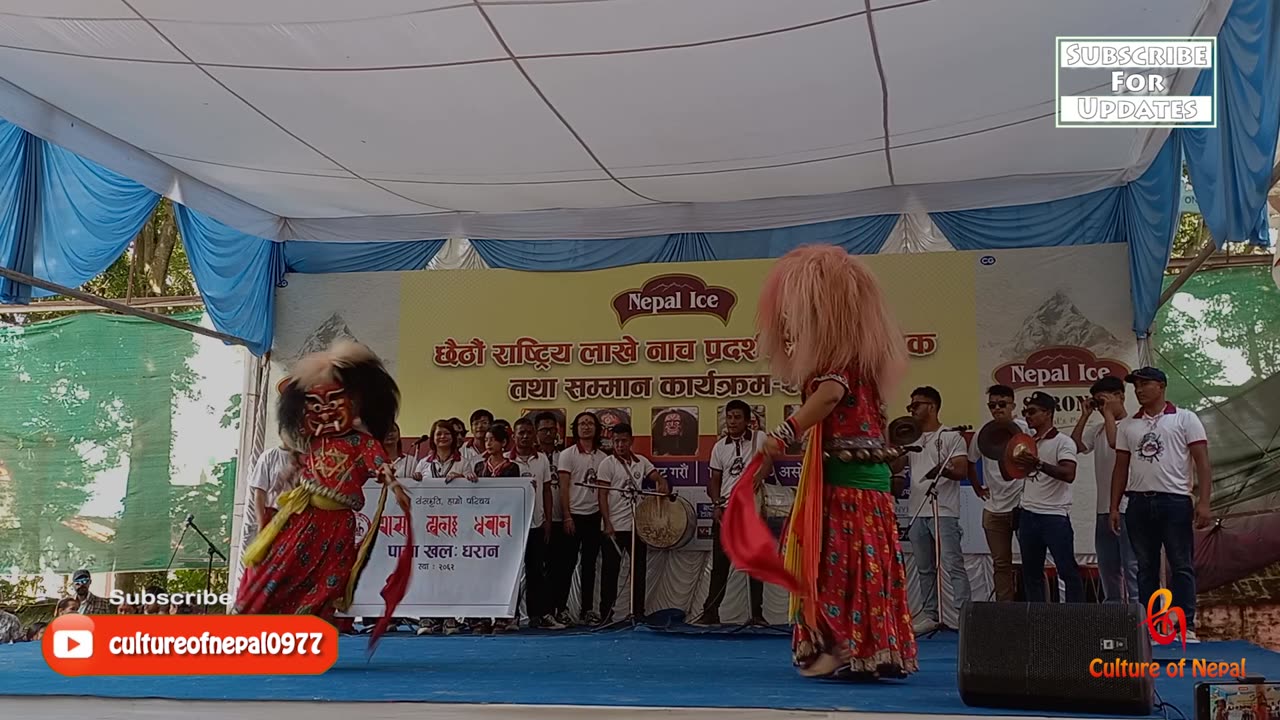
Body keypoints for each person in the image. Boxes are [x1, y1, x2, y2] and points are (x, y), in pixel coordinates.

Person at [724, 244, 917, 679]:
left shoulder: (833, 360)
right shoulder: (866, 361)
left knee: (838, 563)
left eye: (797, 311)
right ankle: (878, 649)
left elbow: (828, 397)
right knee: (871, 563)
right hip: (870, 482)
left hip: (845, 485)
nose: (789, 321)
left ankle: (846, 650)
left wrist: (784, 433)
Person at [237, 341, 410, 651]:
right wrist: (290, 473)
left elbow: (381, 468)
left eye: (336, 399)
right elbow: (301, 464)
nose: (327, 408)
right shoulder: (316, 442)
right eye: (318, 401)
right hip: (304, 519)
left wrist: (395, 487)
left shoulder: (364, 443)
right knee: (281, 571)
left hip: (339, 526)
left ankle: (304, 637)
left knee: (325, 583)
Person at [1111, 366, 1212, 643]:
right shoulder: (1129, 425)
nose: (1139, 390)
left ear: (1161, 386)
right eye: (1136, 386)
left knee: (1181, 565)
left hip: (1175, 500)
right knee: (1145, 568)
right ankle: (1153, 628)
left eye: (1145, 384)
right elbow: (1120, 468)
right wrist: (1114, 506)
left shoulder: (1185, 418)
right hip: (1138, 502)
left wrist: (1204, 501)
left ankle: (1185, 626)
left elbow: (1202, 462)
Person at [901, 386, 970, 634]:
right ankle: (930, 614)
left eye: (915, 405)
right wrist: (897, 442)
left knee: (952, 563)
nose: (911, 410)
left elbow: (961, 471)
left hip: (944, 509)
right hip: (917, 509)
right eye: (910, 406)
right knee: (924, 567)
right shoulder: (911, 436)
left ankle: (965, 617)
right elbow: (896, 465)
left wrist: (943, 470)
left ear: (931, 406)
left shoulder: (951, 436)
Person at [1071, 376, 1138, 604]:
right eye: (1097, 403)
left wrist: (1109, 413)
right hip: (1103, 508)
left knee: (1131, 563)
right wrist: (1085, 416)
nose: (1101, 407)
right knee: (1107, 564)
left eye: (1104, 400)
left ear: (1121, 396)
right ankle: (1113, 608)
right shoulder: (1098, 429)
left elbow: (1115, 443)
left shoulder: (1133, 426)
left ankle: (1140, 611)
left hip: (1128, 507)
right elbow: (1075, 446)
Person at [703, 399, 767, 625]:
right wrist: (716, 504)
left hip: (752, 509)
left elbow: (768, 462)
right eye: (729, 417)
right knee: (720, 565)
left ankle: (757, 615)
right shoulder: (720, 446)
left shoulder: (759, 439)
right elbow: (715, 479)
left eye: (737, 417)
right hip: (727, 510)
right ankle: (710, 613)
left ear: (748, 420)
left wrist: (759, 476)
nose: (732, 421)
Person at [597, 423, 669, 623]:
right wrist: (607, 523)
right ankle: (606, 615)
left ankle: (638, 613)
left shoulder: (641, 462)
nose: (620, 445)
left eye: (623, 441)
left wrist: (662, 484)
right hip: (614, 527)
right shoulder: (607, 464)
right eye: (616, 441)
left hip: (636, 527)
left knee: (639, 572)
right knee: (610, 573)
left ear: (631, 441)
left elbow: (656, 477)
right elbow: (602, 495)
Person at [1015, 391, 1083, 603]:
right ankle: (1037, 621)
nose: (1028, 416)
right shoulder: (1027, 442)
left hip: (1054, 516)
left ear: (1048, 413)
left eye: (1032, 411)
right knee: (1031, 573)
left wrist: (1037, 464)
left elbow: (1069, 474)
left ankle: (1077, 620)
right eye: (1025, 412)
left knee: (1067, 570)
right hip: (1028, 514)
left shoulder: (1064, 442)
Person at [968, 384, 1027, 602]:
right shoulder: (984, 433)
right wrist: (977, 488)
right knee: (1001, 563)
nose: (997, 409)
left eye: (1002, 404)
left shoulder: (1024, 428)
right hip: (993, 508)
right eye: (992, 405)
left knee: (1031, 560)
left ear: (1013, 405)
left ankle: (1034, 608)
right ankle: (1006, 611)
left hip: (1022, 504)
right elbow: (970, 462)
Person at [416, 418, 467, 636]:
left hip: (454, 525)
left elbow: (475, 490)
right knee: (428, 570)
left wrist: (464, 478)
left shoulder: (463, 462)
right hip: (428, 526)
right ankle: (428, 617)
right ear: (433, 438)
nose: (442, 437)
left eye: (447, 433)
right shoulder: (423, 464)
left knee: (451, 571)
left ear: (454, 438)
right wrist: (414, 480)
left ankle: (450, 617)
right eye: (438, 434)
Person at [511, 417, 563, 629]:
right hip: (513, 527)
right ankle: (510, 617)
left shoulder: (541, 459)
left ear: (534, 436)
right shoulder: (506, 459)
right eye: (520, 433)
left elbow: (548, 491)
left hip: (536, 523)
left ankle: (539, 615)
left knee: (536, 572)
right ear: (513, 436)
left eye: (528, 433)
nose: (524, 436)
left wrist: (548, 520)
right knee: (512, 574)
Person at [558, 411, 606, 625]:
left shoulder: (604, 458)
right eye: (582, 424)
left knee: (590, 566)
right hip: (573, 516)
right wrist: (567, 516)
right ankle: (561, 609)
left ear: (596, 429)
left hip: (594, 517)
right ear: (575, 429)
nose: (586, 427)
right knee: (566, 565)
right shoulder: (567, 454)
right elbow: (563, 487)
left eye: (590, 424)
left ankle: (587, 610)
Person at [535, 411, 575, 627]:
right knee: (542, 569)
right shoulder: (533, 457)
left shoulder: (566, 455)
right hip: (541, 520)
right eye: (544, 429)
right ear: (536, 432)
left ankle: (561, 608)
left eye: (552, 429)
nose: (549, 433)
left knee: (565, 567)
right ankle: (543, 611)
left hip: (565, 518)